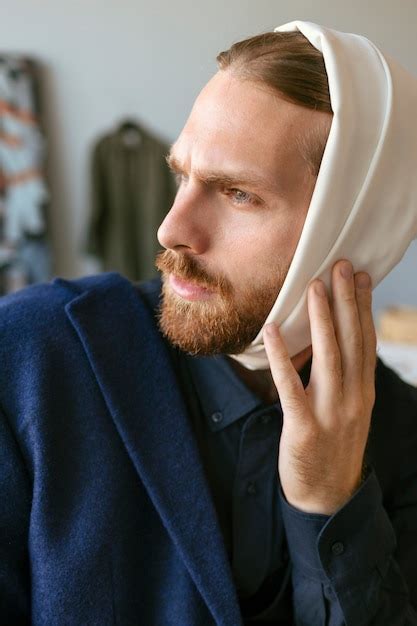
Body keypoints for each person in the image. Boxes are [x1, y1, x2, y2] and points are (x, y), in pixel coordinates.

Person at [1, 21, 417, 626]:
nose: (172, 229)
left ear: (352, 227)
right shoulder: (30, 358)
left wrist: (331, 501)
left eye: (238, 193)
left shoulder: (404, 439)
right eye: (183, 175)